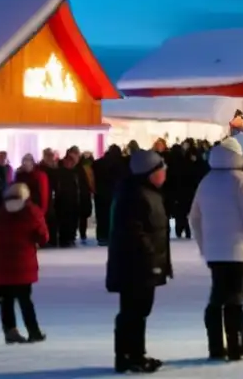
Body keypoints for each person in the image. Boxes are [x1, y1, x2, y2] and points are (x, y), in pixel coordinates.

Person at [190, 138, 243, 361]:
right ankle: (236, 346)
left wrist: (205, 245)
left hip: (215, 253)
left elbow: (194, 217)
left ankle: (215, 347)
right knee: (235, 299)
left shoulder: (207, 181)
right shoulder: (242, 181)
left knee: (217, 296)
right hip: (237, 251)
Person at [106, 149, 172, 374]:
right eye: (161, 171)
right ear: (150, 172)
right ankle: (127, 356)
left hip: (142, 265)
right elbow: (135, 233)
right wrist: (151, 257)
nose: (164, 174)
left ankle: (135, 354)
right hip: (135, 266)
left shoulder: (145, 192)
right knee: (132, 312)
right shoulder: (135, 194)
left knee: (138, 311)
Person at [0, 182, 48, 344]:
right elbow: (43, 236)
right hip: (22, 263)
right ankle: (33, 331)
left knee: (6, 299)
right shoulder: (30, 211)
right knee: (25, 299)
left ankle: (10, 330)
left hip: (0, 263)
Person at [93, 145, 128, 246]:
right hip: (117, 193)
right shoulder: (122, 163)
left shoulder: (98, 163)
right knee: (117, 216)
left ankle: (102, 236)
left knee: (102, 216)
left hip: (101, 193)